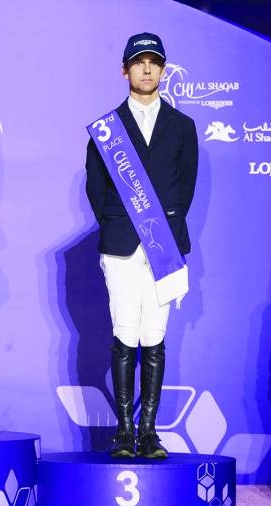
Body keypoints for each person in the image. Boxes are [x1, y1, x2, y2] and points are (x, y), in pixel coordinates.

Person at [85, 33, 198, 458]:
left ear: (163, 70)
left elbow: (185, 187)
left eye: (154, 63)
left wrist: (160, 226)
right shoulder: (106, 130)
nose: (147, 69)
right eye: (139, 62)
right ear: (125, 70)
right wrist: (121, 223)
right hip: (119, 247)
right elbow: (97, 190)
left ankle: (148, 432)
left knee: (155, 335)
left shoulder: (183, 127)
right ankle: (123, 431)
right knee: (124, 334)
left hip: (165, 246)